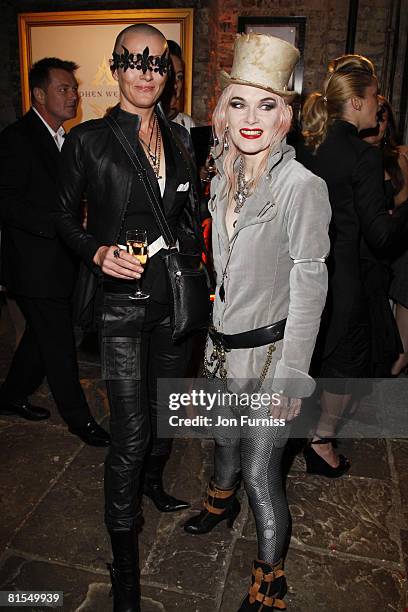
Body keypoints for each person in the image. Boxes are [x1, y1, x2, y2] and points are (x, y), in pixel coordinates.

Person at [55, 24, 204, 612]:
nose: (147, 72)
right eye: (134, 62)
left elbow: (190, 214)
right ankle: (125, 570)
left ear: (169, 74)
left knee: (166, 415)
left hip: (171, 303)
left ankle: (153, 483)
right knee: (132, 430)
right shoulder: (89, 140)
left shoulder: (181, 136)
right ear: (115, 69)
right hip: (119, 306)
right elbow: (63, 217)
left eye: (158, 64)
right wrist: (96, 251)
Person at [183, 33, 331, 610]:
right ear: (222, 112)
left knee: (261, 474)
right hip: (221, 349)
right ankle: (219, 504)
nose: (251, 118)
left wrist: (293, 377)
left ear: (285, 117)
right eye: (239, 103)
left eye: (266, 105)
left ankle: (270, 581)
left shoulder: (302, 187)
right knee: (222, 441)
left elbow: (311, 284)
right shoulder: (222, 176)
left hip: (272, 360)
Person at [298, 55, 408, 476]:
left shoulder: (308, 145)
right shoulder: (361, 156)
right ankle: (320, 442)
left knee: (309, 356)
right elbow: (380, 237)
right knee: (348, 365)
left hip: (303, 270)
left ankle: (289, 437)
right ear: (358, 103)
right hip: (343, 276)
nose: (379, 106)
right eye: (374, 98)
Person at [0, 57, 109, 447]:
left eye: (75, 89)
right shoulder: (17, 138)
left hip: (58, 261)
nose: (73, 96)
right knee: (60, 341)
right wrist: (58, 224)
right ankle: (79, 420)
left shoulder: (64, 137)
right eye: (64, 89)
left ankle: (11, 395)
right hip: (33, 265)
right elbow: (7, 202)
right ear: (39, 94)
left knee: (39, 338)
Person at [362, 96, 408, 375]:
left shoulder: (398, 157)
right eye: (376, 116)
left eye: (384, 117)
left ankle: (401, 350)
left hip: (393, 234)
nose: (379, 123)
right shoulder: (354, 155)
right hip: (365, 237)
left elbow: (404, 202)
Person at [167, 39, 196, 132]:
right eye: (170, 75)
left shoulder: (187, 123)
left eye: (179, 77)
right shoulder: (140, 123)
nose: (175, 85)